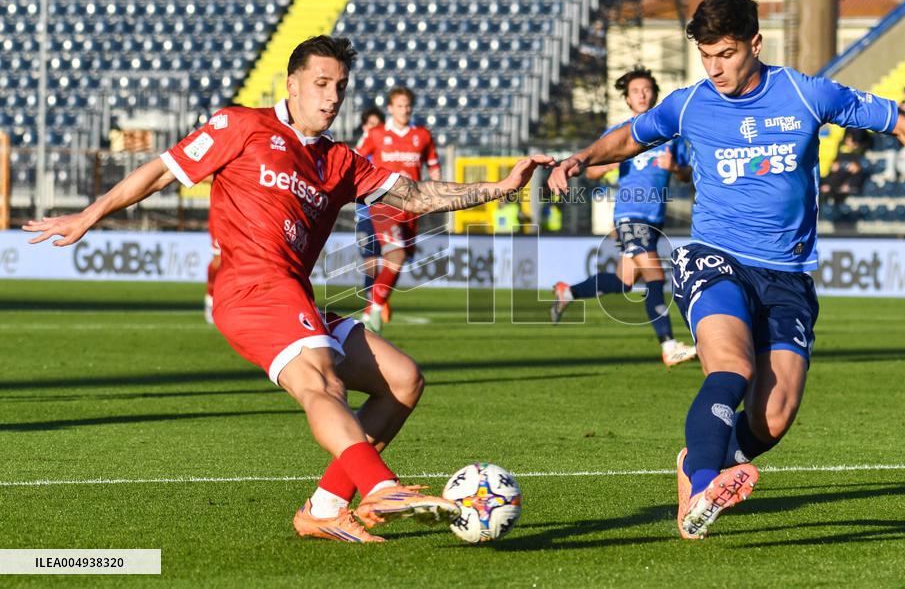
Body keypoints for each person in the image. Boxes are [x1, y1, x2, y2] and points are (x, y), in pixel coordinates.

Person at [24, 35, 552, 544]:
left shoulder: (341, 161)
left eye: (340, 86)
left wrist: (499, 188)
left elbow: (414, 195)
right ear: (292, 84)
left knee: (402, 380)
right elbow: (161, 173)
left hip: (292, 296)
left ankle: (323, 510)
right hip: (249, 289)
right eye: (321, 83)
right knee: (322, 382)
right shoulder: (241, 125)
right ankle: (379, 486)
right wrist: (89, 215)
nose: (331, 97)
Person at [548, 0, 905, 540]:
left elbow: (898, 120)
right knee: (732, 367)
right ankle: (707, 482)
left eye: (726, 54)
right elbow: (631, 137)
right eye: (706, 56)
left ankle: (700, 460)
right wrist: (581, 157)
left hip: (788, 275)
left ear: (755, 43)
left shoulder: (806, 94)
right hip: (714, 257)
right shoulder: (689, 103)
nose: (715, 68)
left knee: (774, 415)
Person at [551, 66, 698, 368]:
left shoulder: (670, 135)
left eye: (646, 90)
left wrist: (675, 168)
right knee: (656, 275)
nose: (642, 95)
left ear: (655, 94)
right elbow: (590, 168)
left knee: (623, 281)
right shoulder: (620, 134)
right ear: (628, 99)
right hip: (631, 215)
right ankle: (669, 346)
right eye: (635, 91)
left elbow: (686, 176)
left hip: (654, 218)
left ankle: (569, 291)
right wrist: (604, 166)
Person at [356, 86, 441, 334]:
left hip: (412, 207)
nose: (404, 110)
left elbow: (434, 167)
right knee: (397, 256)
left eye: (408, 106)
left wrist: (435, 193)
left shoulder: (422, 135)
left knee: (400, 260)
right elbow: (357, 160)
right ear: (390, 108)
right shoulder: (376, 135)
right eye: (399, 105)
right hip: (383, 204)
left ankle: (374, 308)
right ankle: (374, 310)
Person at [352, 106, 387, 320]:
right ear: (364, 126)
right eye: (370, 124)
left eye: (377, 124)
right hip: (365, 214)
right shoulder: (359, 152)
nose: (373, 128)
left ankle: (379, 300)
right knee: (370, 262)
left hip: (386, 215)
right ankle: (371, 299)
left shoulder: (385, 152)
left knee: (389, 260)